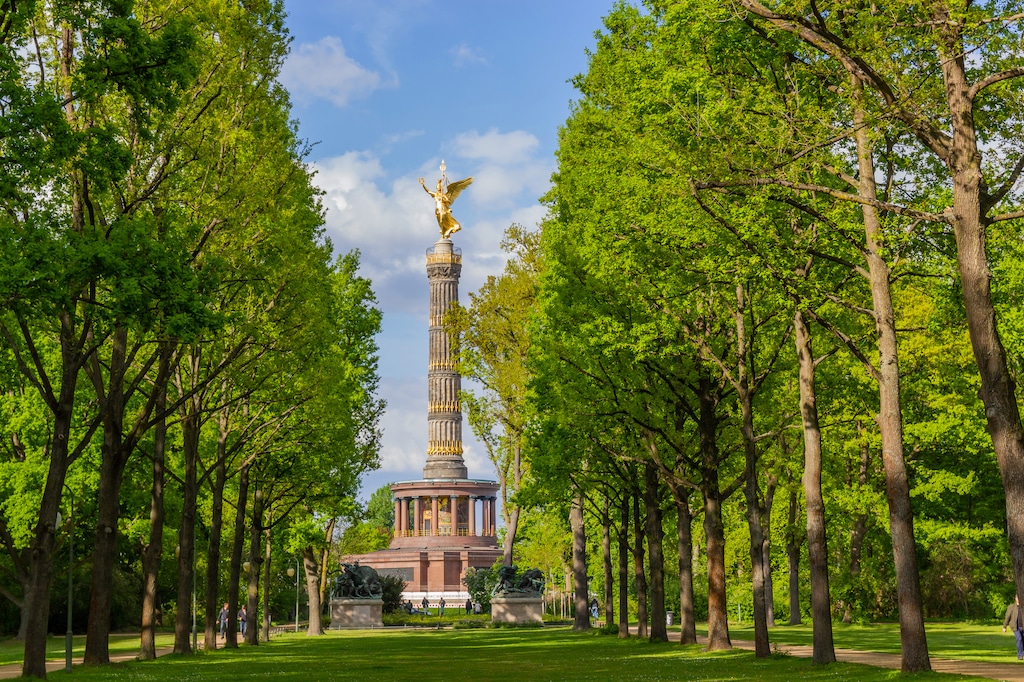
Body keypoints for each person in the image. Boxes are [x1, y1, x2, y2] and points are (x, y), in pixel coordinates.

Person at [1004, 595, 1024, 660]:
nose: (1018, 599)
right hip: (1015, 627)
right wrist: (1004, 626)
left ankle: (1021, 652)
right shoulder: (1011, 607)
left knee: (1022, 640)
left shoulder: (1022, 607)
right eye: (1017, 597)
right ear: (1015, 598)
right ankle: (1020, 655)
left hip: (1022, 626)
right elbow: (1007, 617)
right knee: (1019, 639)